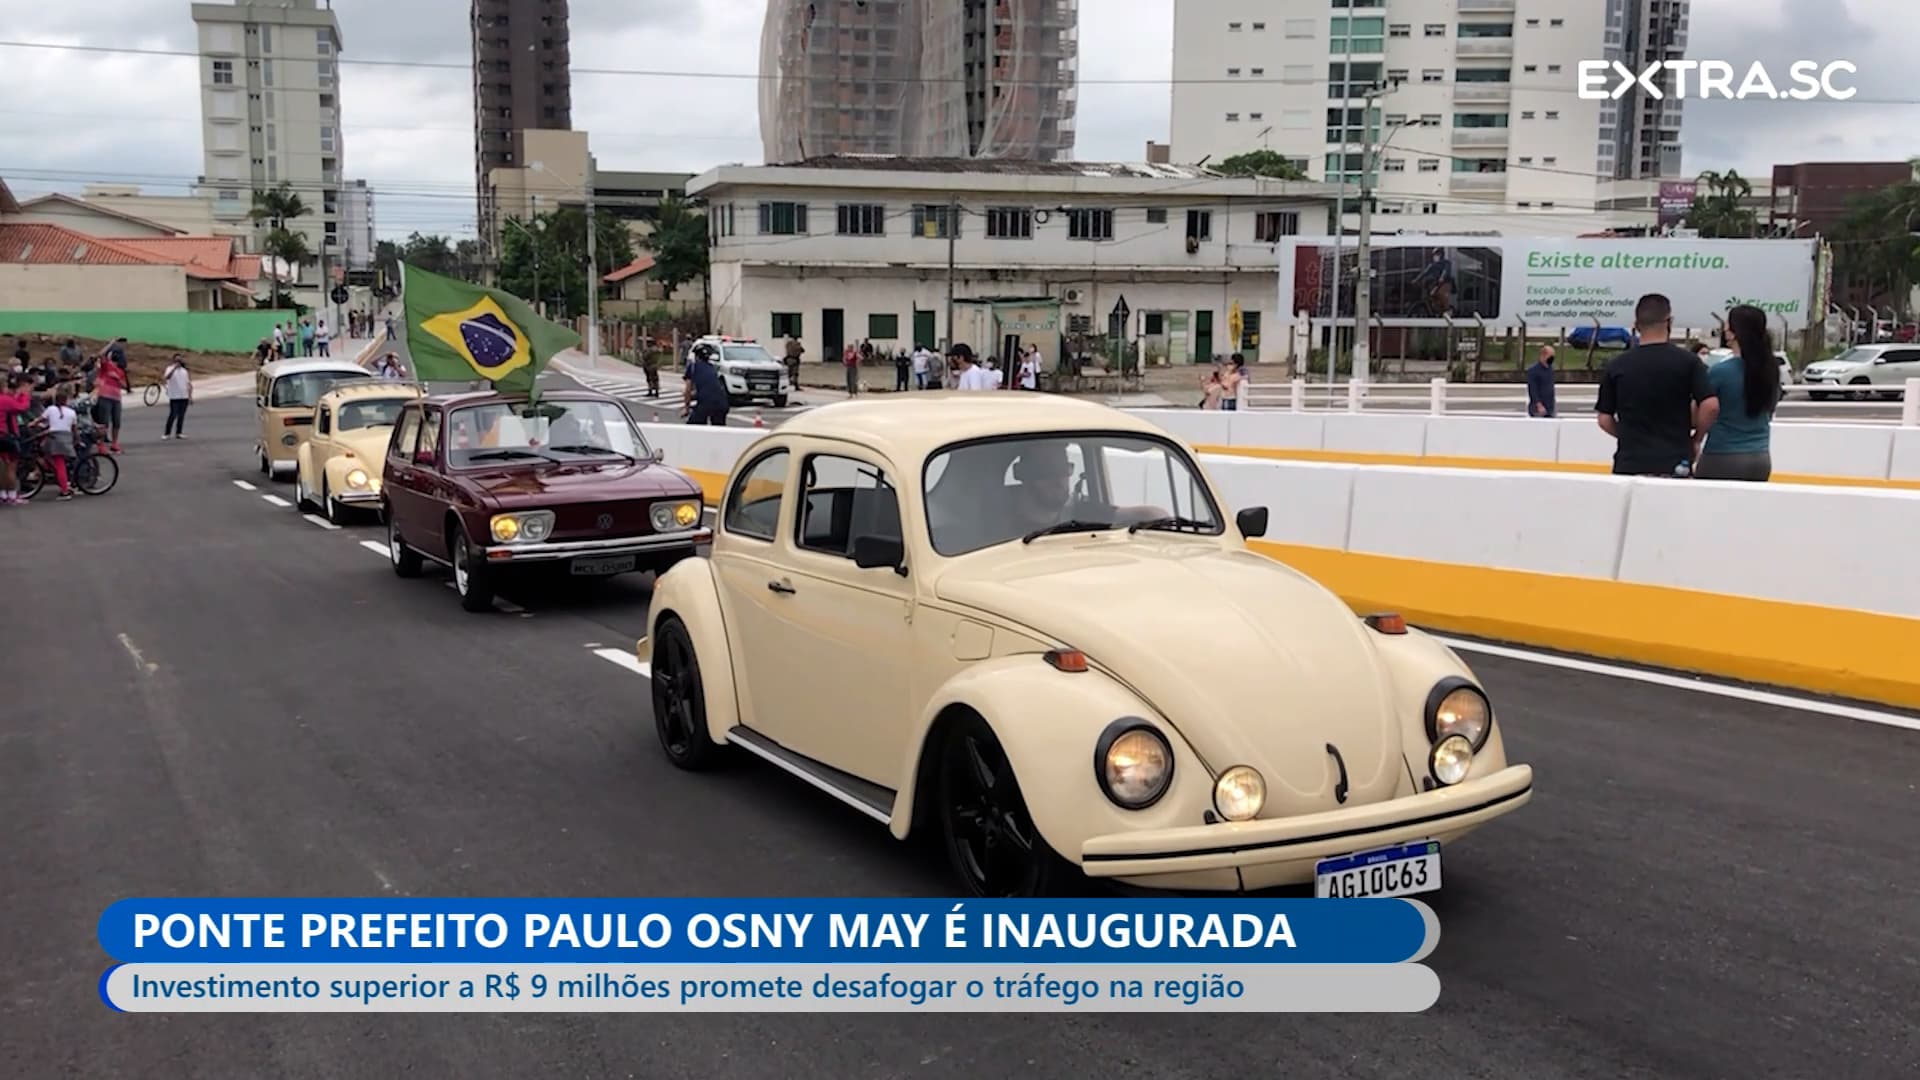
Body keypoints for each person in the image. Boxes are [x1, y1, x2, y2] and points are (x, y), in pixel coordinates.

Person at [1595, 293, 1718, 477]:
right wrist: (1696, 439)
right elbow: (1710, 405)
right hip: (1675, 460)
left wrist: (1629, 438)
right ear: (1669, 321)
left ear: (1636, 326)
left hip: (1630, 462)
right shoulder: (1688, 362)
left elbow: (1604, 419)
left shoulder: (1617, 365)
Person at [1694, 304, 1779, 481]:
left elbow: (1702, 409)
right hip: (1760, 456)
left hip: (1723, 454)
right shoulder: (1771, 371)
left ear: (1731, 333)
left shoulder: (1720, 372)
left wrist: (1696, 438)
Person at [40, 390, 79, 500]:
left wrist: (32, 424)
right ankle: (63, 482)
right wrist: (76, 439)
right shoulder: (71, 412)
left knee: (58, 463)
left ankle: (65, 491)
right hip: (66, 439)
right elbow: (74, 428)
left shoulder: (51, 409)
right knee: (56, 461)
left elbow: (40, 419)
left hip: (54, 439)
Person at [0, 372, 31, 505]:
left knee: (2, 466)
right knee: (11, 466)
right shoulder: (4, 399)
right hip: (4, 435)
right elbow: (21, 407)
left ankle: (2, 493)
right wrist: (24, 395)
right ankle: (12, 495)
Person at [682, 342, 730, 426]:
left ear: (696, 356)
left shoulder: (693, 367)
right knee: (718, 430)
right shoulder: (713, 367)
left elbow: (687, 390)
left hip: (706, 403)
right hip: (722, 403)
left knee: (693, 429)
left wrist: (686, 408)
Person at [92, 352, 127, 451]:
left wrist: (117, 379)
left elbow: (124, 385)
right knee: (104, 421)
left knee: (117, 421)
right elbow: (100, 356)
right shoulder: (106, 366)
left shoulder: (120, 371)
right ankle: (101, 444)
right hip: (105, 396)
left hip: (116, 398)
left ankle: (114, 443)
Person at [161, 354, 193, 438]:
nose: (178, 362)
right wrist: (174, 369)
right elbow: (167, 378)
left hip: (184, 396)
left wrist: (190, 396)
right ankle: (167, 433)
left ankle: (179, 432)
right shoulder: (169, 369)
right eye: (176, 360)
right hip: (174, 396)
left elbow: (188, 384)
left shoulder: (184, 371)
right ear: (173, 361)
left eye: (179, 360)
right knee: (173, 415)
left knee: (181, 416)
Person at [1526, 345, 1557, 418]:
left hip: (1550, 407)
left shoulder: (1550, 369)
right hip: (1538, 409)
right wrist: (1539, 405)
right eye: (1550, 356)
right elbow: (1532, 390)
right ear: (1543, 355)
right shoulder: (1533, 371)